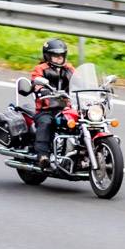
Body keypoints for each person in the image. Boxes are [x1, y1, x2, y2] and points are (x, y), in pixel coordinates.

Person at [27, 38, 72, 167]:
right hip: (46, 109)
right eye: (55, 56)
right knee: (46, 122)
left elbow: (79, 79)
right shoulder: (40, 68)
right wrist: (41, 90)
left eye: (61, 56)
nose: (59, 59)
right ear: (47, 56)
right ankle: (43, 155)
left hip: (66, 108)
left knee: (84, 120)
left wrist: (97, 88)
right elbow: (36, 81)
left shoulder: (68, 68)